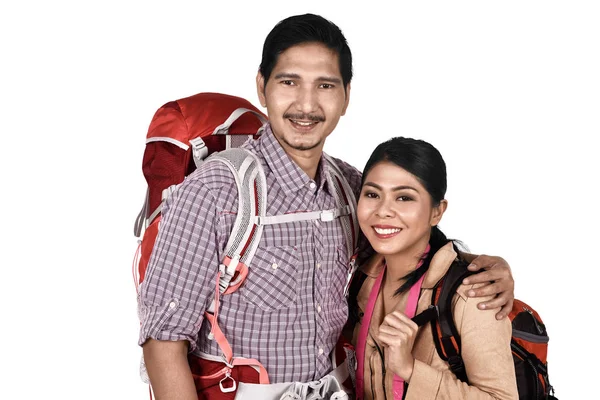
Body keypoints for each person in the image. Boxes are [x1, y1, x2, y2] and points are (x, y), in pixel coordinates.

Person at [138, 13, 515, 400]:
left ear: (346, 96)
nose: (307, 104)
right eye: (289, 82)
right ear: (262, 87)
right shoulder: (214, 193)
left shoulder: (352, 189)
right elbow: (163, 343)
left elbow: (410, 248)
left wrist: (487, 267)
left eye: (325, 85)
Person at [351, 137, 518, 399]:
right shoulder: (360, 277)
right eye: (372, 194)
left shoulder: (472, 294)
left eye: (404, 197)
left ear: (436, 212)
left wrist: (410, 369)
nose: (383, 211)